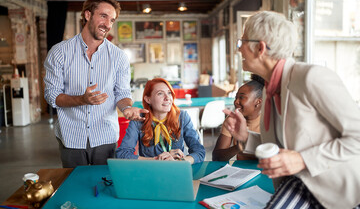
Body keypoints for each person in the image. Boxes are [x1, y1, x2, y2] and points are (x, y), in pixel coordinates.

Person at [223, 11, 360, 208]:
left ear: (260, 48)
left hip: (340, 192)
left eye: (241, 42)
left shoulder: (311, 77)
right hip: (299, 182)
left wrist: (303, 160)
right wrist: (245, 136)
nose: (239, 50)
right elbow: (284, 144)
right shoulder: (271, 88)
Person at [44, 0, 148, 168]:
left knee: (105, 184)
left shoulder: (118, 57)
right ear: (87, 15)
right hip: (71, 137)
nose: (108, 24)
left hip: (105, 137)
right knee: (75, 187)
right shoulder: (59, 52)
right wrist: (81, 100)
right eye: (103, 16)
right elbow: (51, 95)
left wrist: (127, 108)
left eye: (112, 20)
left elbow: (122, 93)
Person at [116, 78, 205, 164]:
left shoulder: (182, 117)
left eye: (169, 93)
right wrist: (156, 160)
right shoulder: (138, 120)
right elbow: (122, 154)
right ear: (148, 99)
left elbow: (199, 151)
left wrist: (181, 161)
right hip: (150, 172)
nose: (167, 98)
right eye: (160, 94)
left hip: (176, 170)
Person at [212, 74, 264, 161]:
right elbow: (217, 157)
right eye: (236, 97)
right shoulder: (232, 121)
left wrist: (248, 141)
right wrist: (239, 147)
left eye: (241, 97)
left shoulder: (270, 121)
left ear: (258, 102)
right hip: (243, 172)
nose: (236, 102)